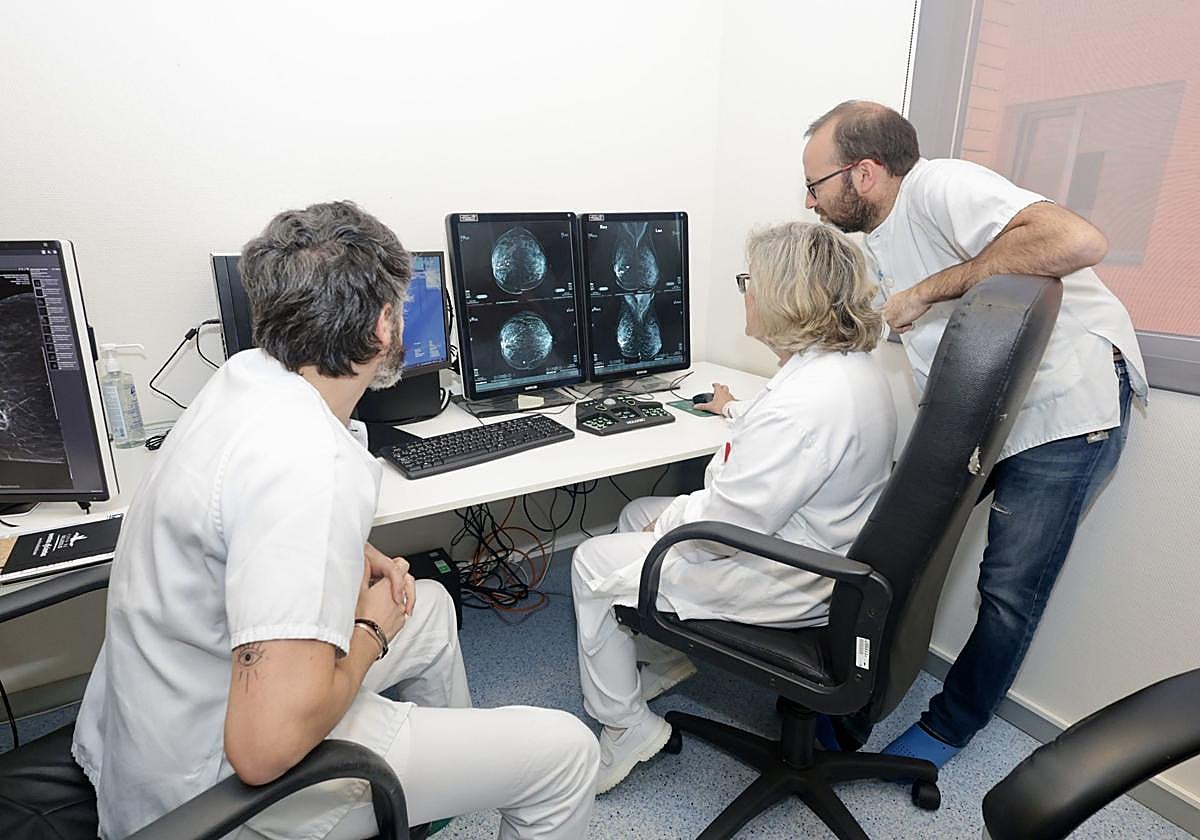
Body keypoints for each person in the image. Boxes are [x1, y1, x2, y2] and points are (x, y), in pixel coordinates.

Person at [72, 201, 599, 840]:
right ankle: (417, 791)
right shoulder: (308, 460)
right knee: (566, 754)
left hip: (157, 716)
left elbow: (238, 518)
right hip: (214, 795)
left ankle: (426, 807)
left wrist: (349, 549)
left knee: (427, 607)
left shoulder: (245, 380)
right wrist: (372, 630)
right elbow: (263, 748)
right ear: (383, 325)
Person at [801, 101, 1146, 769]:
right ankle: (849, 707)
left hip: (1064, 405)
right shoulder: (875, 237)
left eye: (816, 184)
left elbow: (1076, 240)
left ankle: (949, 728)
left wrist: (932, 289)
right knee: (898, 554)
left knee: (1008, 588)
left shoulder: (941, 186)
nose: (810, 201)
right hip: (981, 410)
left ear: (864, 173)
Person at [570, 221, 899, 794]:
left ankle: (625, 729)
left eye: (751, 280)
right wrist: (732, 410)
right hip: (823, 549)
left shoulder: (802, 407)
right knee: (633, 514)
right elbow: (785, 447)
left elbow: (723, 529)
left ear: (783, 297)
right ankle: (665, 657)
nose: (745, 290)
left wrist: (666, 522)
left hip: (787, 574)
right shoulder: (845, 371)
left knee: (591, 562)